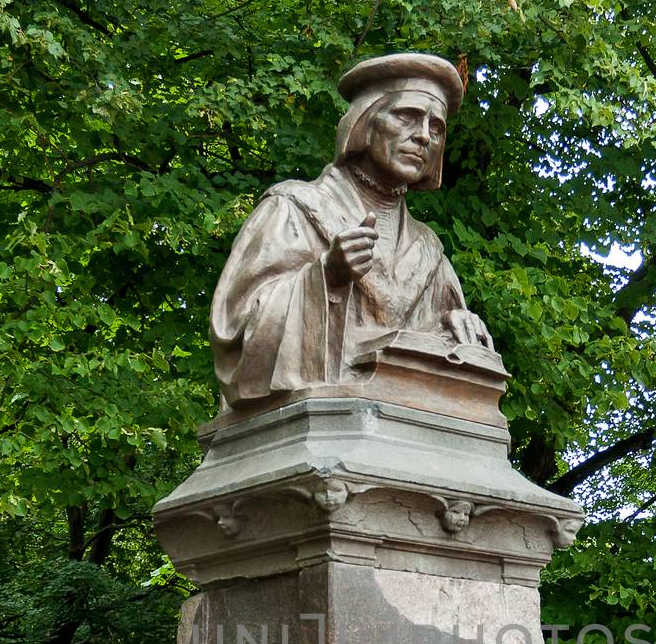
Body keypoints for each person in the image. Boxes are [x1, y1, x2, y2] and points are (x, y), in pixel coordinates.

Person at [210, 52, 494, 407]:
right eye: (407, 116)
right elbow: (234, 331)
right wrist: (326, 276)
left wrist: (456, 327)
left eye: (436, 128)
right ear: (366, 122)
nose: (423, 136)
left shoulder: (428, 250)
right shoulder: (292, 208)